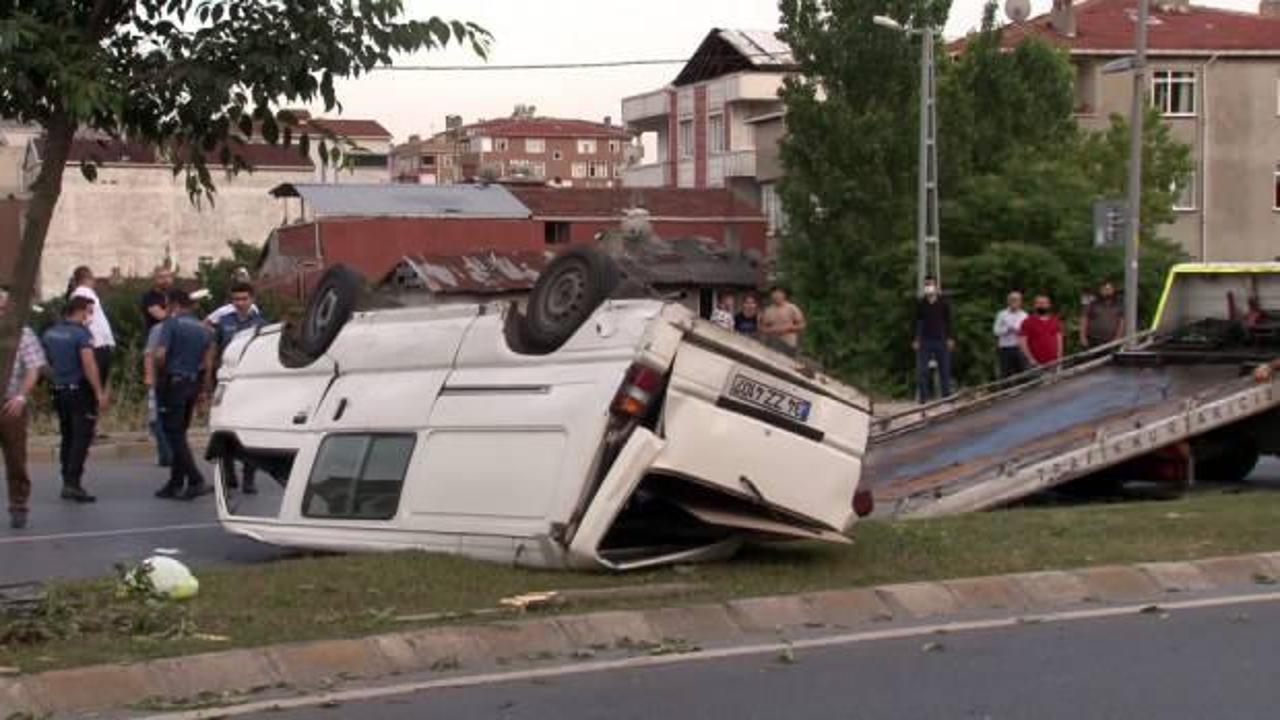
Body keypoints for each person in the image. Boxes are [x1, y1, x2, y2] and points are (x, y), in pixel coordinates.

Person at [41, 296, 109, 503]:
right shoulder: (81, 334)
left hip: (59, 390)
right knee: (81, 438)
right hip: (79, 392)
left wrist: (56, 378)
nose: (89, 317)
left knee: (68, 436)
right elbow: (88, 364)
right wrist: (99, 391)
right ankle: (73, 483)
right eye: (88, 312)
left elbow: (42, 364)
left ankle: (66, 480)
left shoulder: (50, 333)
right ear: (79, 311)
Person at [154, 289, 216, 500]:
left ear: (174, 304)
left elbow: (161, 355)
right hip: (192, 383)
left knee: (174, 434)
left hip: (174, 382)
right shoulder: (204, 329)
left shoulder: (171, 324)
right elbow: (207, 363)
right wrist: (204, 389)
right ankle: (175, 482)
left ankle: (196, 479)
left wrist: (158, 368)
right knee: (180, 430)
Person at [0, 289, 47, 528]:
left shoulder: (23, 334)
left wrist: (20, 397)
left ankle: (18, 504)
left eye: (3, 307)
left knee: (16, 458)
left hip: (9, 403)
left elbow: (33, 368)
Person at [214, 283, 266, 493]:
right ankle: (229, 472)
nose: (240, 303)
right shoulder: (224, 322)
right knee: (225, 429)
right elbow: (215, 350)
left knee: (249, 431)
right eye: (236, 299)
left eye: (244, 299)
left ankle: (249, 478)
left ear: (252, 299)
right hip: (228, 382)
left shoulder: (262, 324)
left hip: (252, 385)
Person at [68, 266, 116, 389]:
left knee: (98, 382)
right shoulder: (83, 292)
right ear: (87, 278)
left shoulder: (82, 292)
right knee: (96, 383)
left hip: (98, 344)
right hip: (96, 345)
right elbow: (85, 316)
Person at [913, 276, 953, 402]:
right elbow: (918, 322)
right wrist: (916, 339)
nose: (929, 287)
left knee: (944, 370)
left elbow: (948, 321)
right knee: (922, 371)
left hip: (941, 340)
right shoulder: (921, 303)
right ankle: (923, 399)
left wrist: (950, 337)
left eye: (931, 284)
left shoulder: (943, 302)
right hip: (925, 340)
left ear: (936, 286)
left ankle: (946, 397)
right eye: (926, 285)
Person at [143, 300, 173, 468]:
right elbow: (149, 354)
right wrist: (149, 376)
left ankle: (168, 453)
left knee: (166, 418)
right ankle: (165, 453)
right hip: (160, 378)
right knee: (156, 418)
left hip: (175, 379)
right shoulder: (159, 329)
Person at [1020, 294, 1064, 367]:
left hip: (1054, 362)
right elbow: (1022, 343)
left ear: (1049, 305)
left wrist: (1060, 358)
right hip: (1036, 364)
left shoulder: (1055, 320)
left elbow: (1059, 341)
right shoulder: (1027, 322)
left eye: (1044, 303)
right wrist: (1031, 359)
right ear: (1034, 305)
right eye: (1039, 303)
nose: (1042, 305)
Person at [992, 291, 1029, 379]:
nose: (1014, 302)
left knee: (1022, 371)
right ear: (1008, 301)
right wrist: (1007, 329)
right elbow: (995, 331)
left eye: (1017, 300)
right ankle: (1007, 391)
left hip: (1020, 347)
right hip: (1005, 348)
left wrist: (1019, 330)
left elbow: (1028, 332)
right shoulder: (1001, 314)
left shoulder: (1024, 315)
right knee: (1005, 373)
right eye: (1012, 300)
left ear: (1021, 302)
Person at [761, 286, 806, 355]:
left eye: (779, 293)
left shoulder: (792, 308)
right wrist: (773, 330)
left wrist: (789, 328)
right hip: (773, 345)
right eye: (774, 293)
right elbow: (763, 329)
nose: (777, 295)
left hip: (789, 344)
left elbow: (802, 325)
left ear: (784, 295)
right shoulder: (768, 311)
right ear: (771, 295)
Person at [1080, 279, 1124, 349]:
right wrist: (1082, 337)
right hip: (1093, 339)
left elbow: (1121, 322)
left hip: (1110, 341)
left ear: (1113, 290)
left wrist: (1117, 338)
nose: (1107, 291)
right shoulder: (1092, 303)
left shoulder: (1119, 305)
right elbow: (1084, 319)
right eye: (1104, 289)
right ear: (1100, 290)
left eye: (1109, 289)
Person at [140, 266, 174, 332]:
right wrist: (177, 309)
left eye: (168, 276)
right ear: (154, 279)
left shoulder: (173, 294)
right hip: (157, 335)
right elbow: (161, 316)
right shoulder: (149, 297)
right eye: (161, 277)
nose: (166, 280)